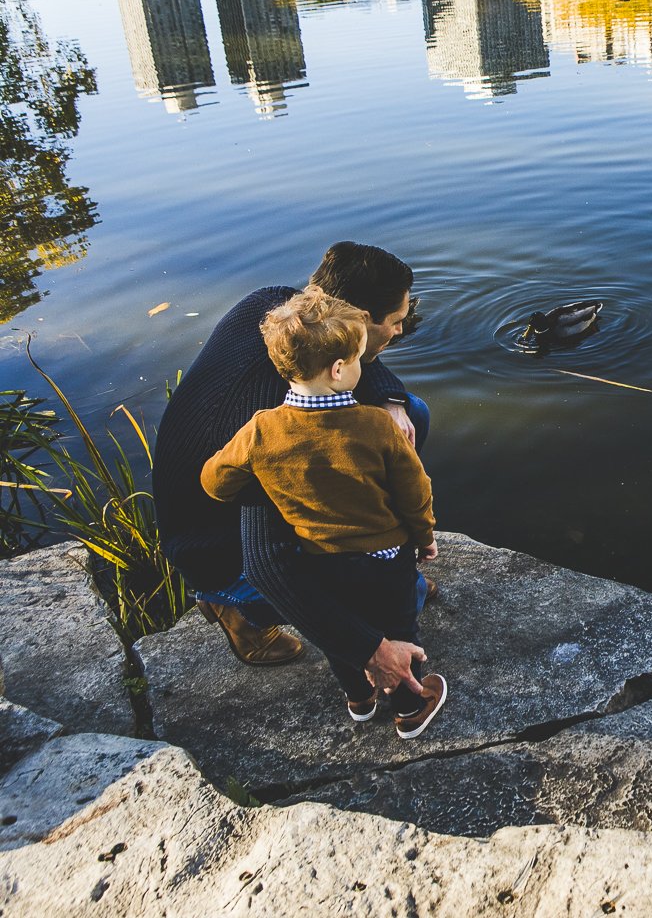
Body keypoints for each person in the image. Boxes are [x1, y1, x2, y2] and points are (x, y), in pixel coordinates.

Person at [154, 242, 429, 699]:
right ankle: (233, 610)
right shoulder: (273, 429)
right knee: (403, 600)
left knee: (410, 415)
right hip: (221, 553)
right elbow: (269, 565)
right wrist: (369, 648)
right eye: (395, 322)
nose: (401, 331)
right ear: (356, 323)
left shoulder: (273, 307)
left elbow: (363, 369)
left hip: (222, 486)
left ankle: (383, 553)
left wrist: (391, 398)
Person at [201, 287, 446, 737]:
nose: (360, 368)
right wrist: (424, 535)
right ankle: (410, 708)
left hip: (319, 564)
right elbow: (415, 490)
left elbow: (214, 482)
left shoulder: (260, 430)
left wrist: (256, 480)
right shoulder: (375, 424)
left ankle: (359, 700)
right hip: (386, 561)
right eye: (356, 360)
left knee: (343, 634)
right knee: (396, 627)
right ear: (338, 369)